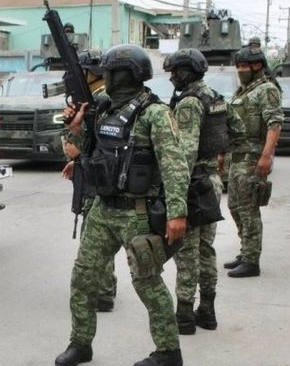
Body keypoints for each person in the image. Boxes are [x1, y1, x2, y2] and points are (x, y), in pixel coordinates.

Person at [54, 44, 190, 366]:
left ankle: (169, 352)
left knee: (147, 283)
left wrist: (177, 212)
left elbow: (174, 165)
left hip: (138, 214)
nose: (105, 78)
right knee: (84, 278)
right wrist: (74, 128)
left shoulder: (154, 113)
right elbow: (78, 151)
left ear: (124, 74)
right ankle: (80, 343)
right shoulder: (100, 109)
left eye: (110, 72)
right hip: (102, 210)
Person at [162, 48, 246, 334]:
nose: (172, 77)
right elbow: (238, 129)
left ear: (186, 72)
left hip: (193, 184)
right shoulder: (215, 97)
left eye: (174, 72)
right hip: (211, 182)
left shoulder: (188, 103)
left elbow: (184, 154)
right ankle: (207, 311)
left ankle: (184, 316)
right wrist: (220, 156)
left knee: (186, 252)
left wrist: (175, 195)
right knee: (206, 250)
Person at [61, 49, 117, 313]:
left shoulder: (102, 99)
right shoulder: (95, 99)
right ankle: (104, 288)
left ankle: (103, 291)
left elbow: (101, 142)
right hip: (94, 170)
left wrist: (78, 150)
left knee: (96, 237)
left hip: (99, 175)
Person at [224, 46, 283, 278]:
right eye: (238, 66)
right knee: (234, 207)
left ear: (257, 66)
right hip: (237, 156)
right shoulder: (244, 90)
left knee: (249, 209)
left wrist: (266, 156)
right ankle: (245, 250)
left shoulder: (267, 90)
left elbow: (274, 123)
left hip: (252, 157)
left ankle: (251, 260)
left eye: (244, 66)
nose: (240, 70)